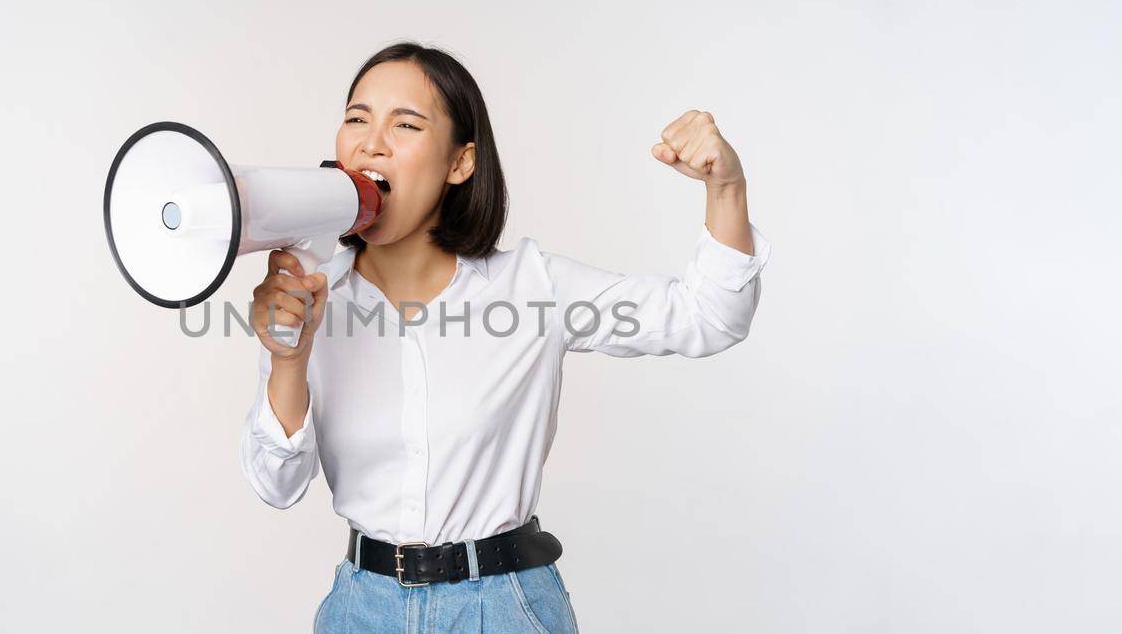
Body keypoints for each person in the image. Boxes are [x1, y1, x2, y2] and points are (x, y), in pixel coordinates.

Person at [239, 41, 771, 633]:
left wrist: (727, 188)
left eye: (405, 124)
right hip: (361, 611)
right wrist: (288, 359)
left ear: (460, 163)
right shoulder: (310, 299)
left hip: (502, 609)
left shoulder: (531, 286)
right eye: (356, 119)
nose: (372, 142)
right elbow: (277, 485)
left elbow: (711, 315)